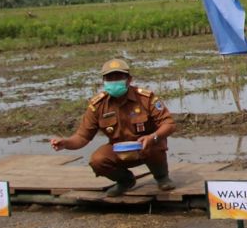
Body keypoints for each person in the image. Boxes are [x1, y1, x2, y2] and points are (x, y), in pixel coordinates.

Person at [50, 58, 177, 196]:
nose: (114, 81)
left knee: (157, 143)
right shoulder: (98, 105)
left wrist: (153, 137)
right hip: (119, 150)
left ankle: (161, 177)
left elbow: (169, 124)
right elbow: (82, 136)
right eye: (109, 78)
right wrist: (65, 143)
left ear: (129, 80)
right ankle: (125, 181)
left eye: (118, 77)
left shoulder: (145, 98)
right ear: (103, 81)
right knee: (97, 160)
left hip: (146, 146)